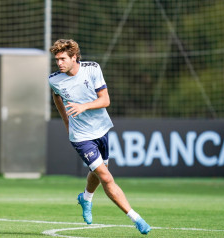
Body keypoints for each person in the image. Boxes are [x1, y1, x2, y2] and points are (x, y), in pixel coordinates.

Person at [48, 39, 151, 235]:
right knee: (105, 176)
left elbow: (105, 100)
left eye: (62, 59)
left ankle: (85, 198)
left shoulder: (92, 69)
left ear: (74, 57)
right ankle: (136, 218)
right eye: (57, 60)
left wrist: (83, 106)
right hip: (80, 136)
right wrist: (66, 121)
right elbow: (56, 96)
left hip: (101, 129)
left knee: (99, 171)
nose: (59, 63)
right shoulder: (54, 79)